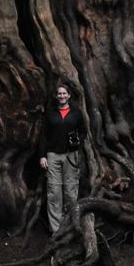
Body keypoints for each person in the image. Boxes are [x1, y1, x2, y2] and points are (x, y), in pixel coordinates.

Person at [38, 82, 87, 234]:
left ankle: (70, 226)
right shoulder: (50, 113)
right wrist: (42, 156)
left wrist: (77, 142)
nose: (62, 96)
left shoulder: (76, 113)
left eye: (64, 93)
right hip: (52, 156)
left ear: (69, 95)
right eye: (59, 93)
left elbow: (84, 131)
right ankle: (56, 230)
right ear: (56, 96)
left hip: (70, 156)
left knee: (70, 191)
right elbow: (44, 136)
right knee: (54, 192)